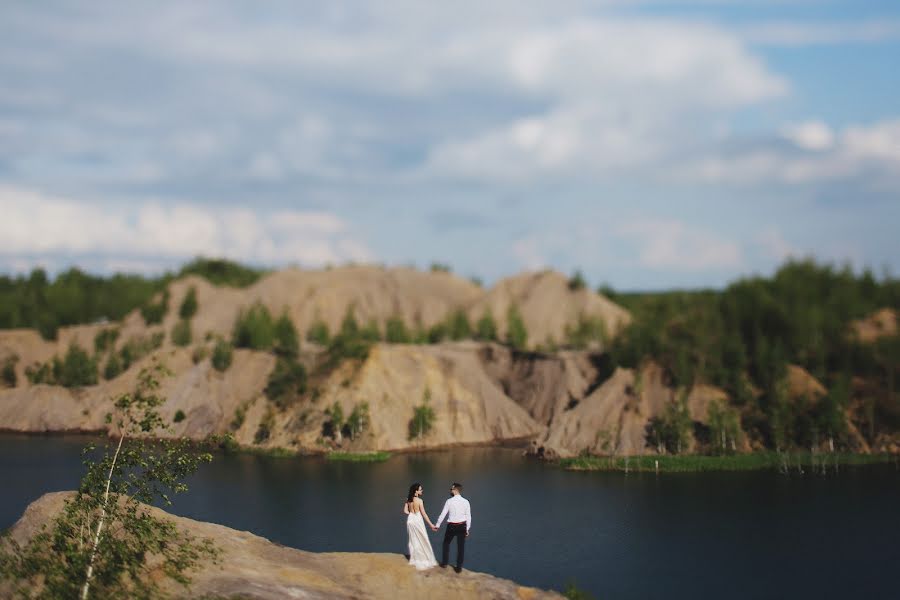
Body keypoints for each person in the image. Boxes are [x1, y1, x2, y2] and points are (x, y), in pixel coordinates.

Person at [434, 482, 471, 573]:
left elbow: (443, 514)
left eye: (451, 489)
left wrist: (437, 525)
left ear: (455, 490)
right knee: (460, 547)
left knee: (446, 544)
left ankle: (445, 563)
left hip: (451, 526)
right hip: (462, 526)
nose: (450, 490)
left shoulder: (449, 501)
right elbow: (468, 516)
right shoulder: (466, 502)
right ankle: (458, 568)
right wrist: (467, 529)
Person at [403, 482, 438, 570]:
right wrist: (431, 525)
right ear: (416, 491)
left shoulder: (408, 499)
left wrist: (411, 514)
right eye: (420, 489)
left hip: (410, 520)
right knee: (423, 538)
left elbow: (405, 511)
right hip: (418, 520)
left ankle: (415, 558)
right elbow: (424, 514)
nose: (422, 491)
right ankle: (424, 558)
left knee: (413, 540)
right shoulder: (420, 501)